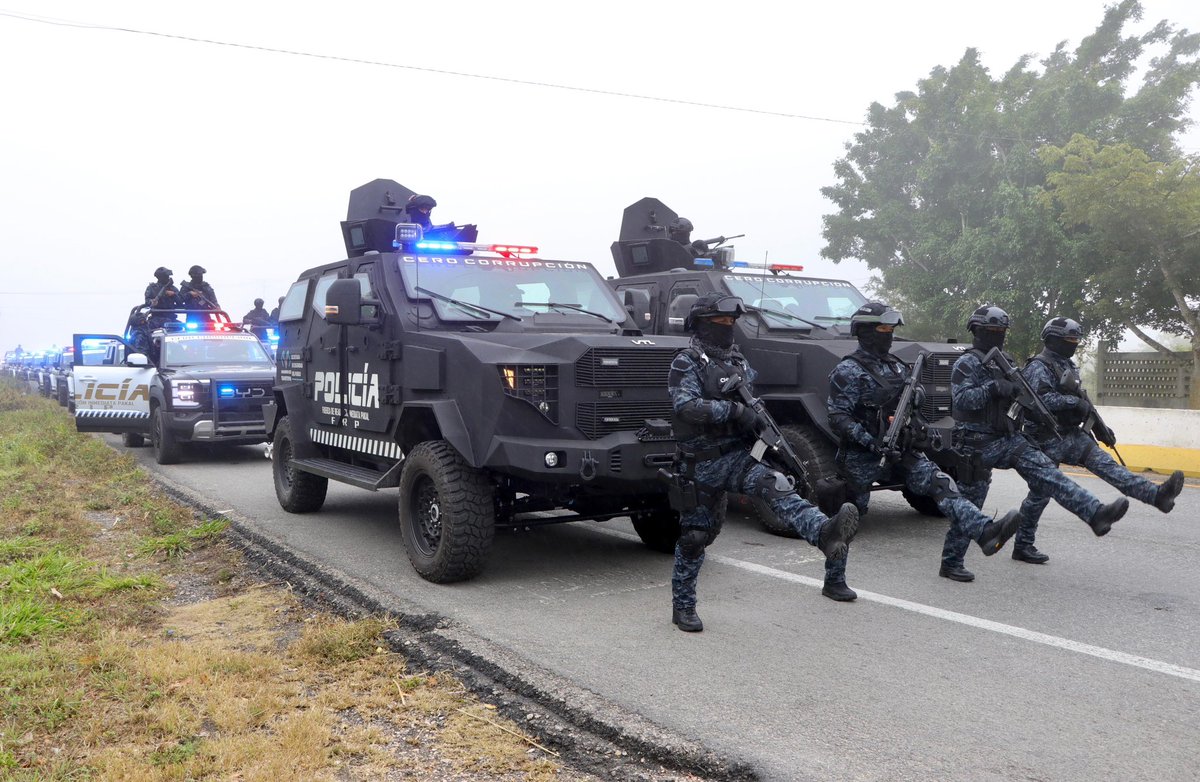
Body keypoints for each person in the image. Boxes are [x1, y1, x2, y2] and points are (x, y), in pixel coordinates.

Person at [667, 292, 860, 631]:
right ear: (700, 324)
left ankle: (824, 533)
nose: (727, 328)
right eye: (719, 322)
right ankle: (683, 606)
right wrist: (734, 411)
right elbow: (686, 406)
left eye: (731, 322)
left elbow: (752, 401)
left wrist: (758, 426)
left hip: (738, 457)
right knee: (696, 537)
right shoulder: (687, 362)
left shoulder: (737, 361)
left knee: (778, 486)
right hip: (700, 465)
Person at [827, 301, 1022, 582]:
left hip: (901, 451)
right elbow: (838, 417)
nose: (889, 334)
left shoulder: (895, 366)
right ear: (865, 331)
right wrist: (871, 441)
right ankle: (834, 580)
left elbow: (913, 406)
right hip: (861, 458)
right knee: (846, 523)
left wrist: (916, 421)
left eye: (891, 329)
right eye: (883, 328)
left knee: (942, 484)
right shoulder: (848, 370)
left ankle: (985, 531)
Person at [943, 305, 1131, 581]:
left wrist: (1024, 397)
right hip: (975, 443)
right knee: (971, 503)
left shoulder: (1005, 361)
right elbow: (960, 401)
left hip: (1006, 438)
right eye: (992, 331)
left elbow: (1025, 399)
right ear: (977, 332)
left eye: (1001, 331)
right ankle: (950, 562)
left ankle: (1095, 513)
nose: (998, 336)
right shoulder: (966, 363)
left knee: (1049, 474)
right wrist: (993, 389)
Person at [1011, 317, 1185, 563]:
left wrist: (1100, 426)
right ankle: (1023, 545)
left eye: (1075, 341)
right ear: (1052, 340)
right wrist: (1075, 403)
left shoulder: (1069, 365)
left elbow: (1084, 401)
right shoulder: (1038, 366)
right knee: (1040, 494)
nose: (1073, 344)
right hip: (1044, 438)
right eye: (1068, 340)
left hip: (1072, 435)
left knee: (1110, 467)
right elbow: (1037, 402)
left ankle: (1156, 495)